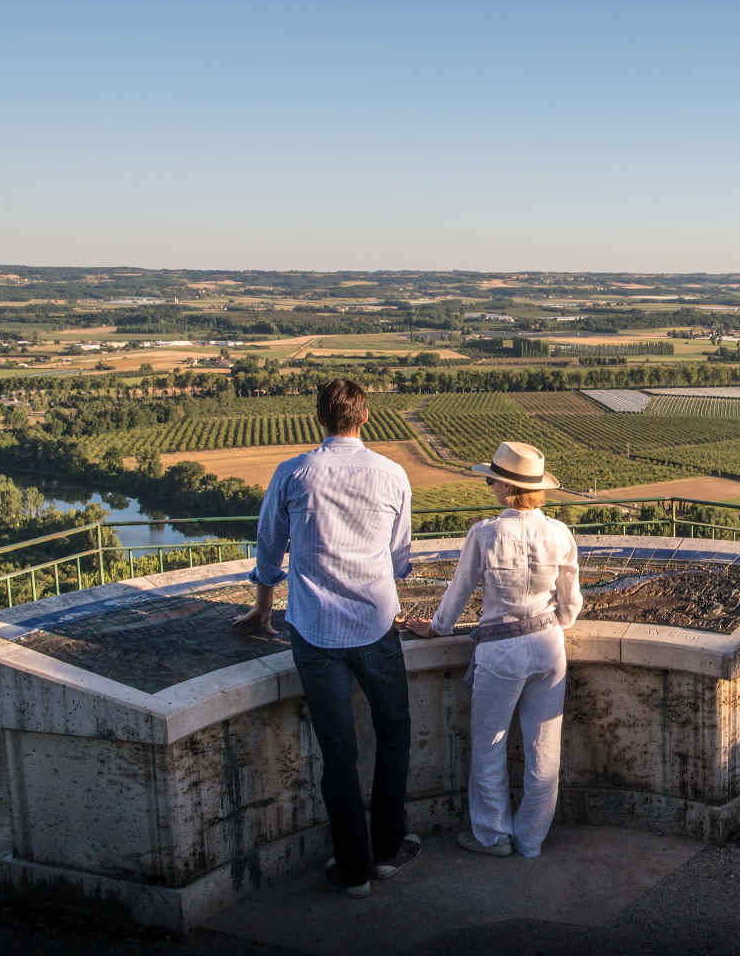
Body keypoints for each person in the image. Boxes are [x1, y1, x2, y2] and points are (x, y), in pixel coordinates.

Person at [232, 378, 420, 897]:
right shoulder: (392, 474)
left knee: (337, 751)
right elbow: (400, 560)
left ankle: (353, 868)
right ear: (365, 417)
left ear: (320, 418)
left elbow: (269, 549)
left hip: (314, 631)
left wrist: (263, 608)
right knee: (394, 731)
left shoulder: (294, 473)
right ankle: (388, 847)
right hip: (377, 625)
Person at [404, 441, 582, 858]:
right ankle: (532, 839)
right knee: (545, 752)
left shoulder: (485, 534)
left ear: (504, 486)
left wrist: (435, 628)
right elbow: (570, 604)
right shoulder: (559, 533)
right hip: (548, 646)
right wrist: (558, 624)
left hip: (500, 651)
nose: (489, 486)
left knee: (489, 745)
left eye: (491, 480)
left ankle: (492, 835)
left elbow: (459, 590)